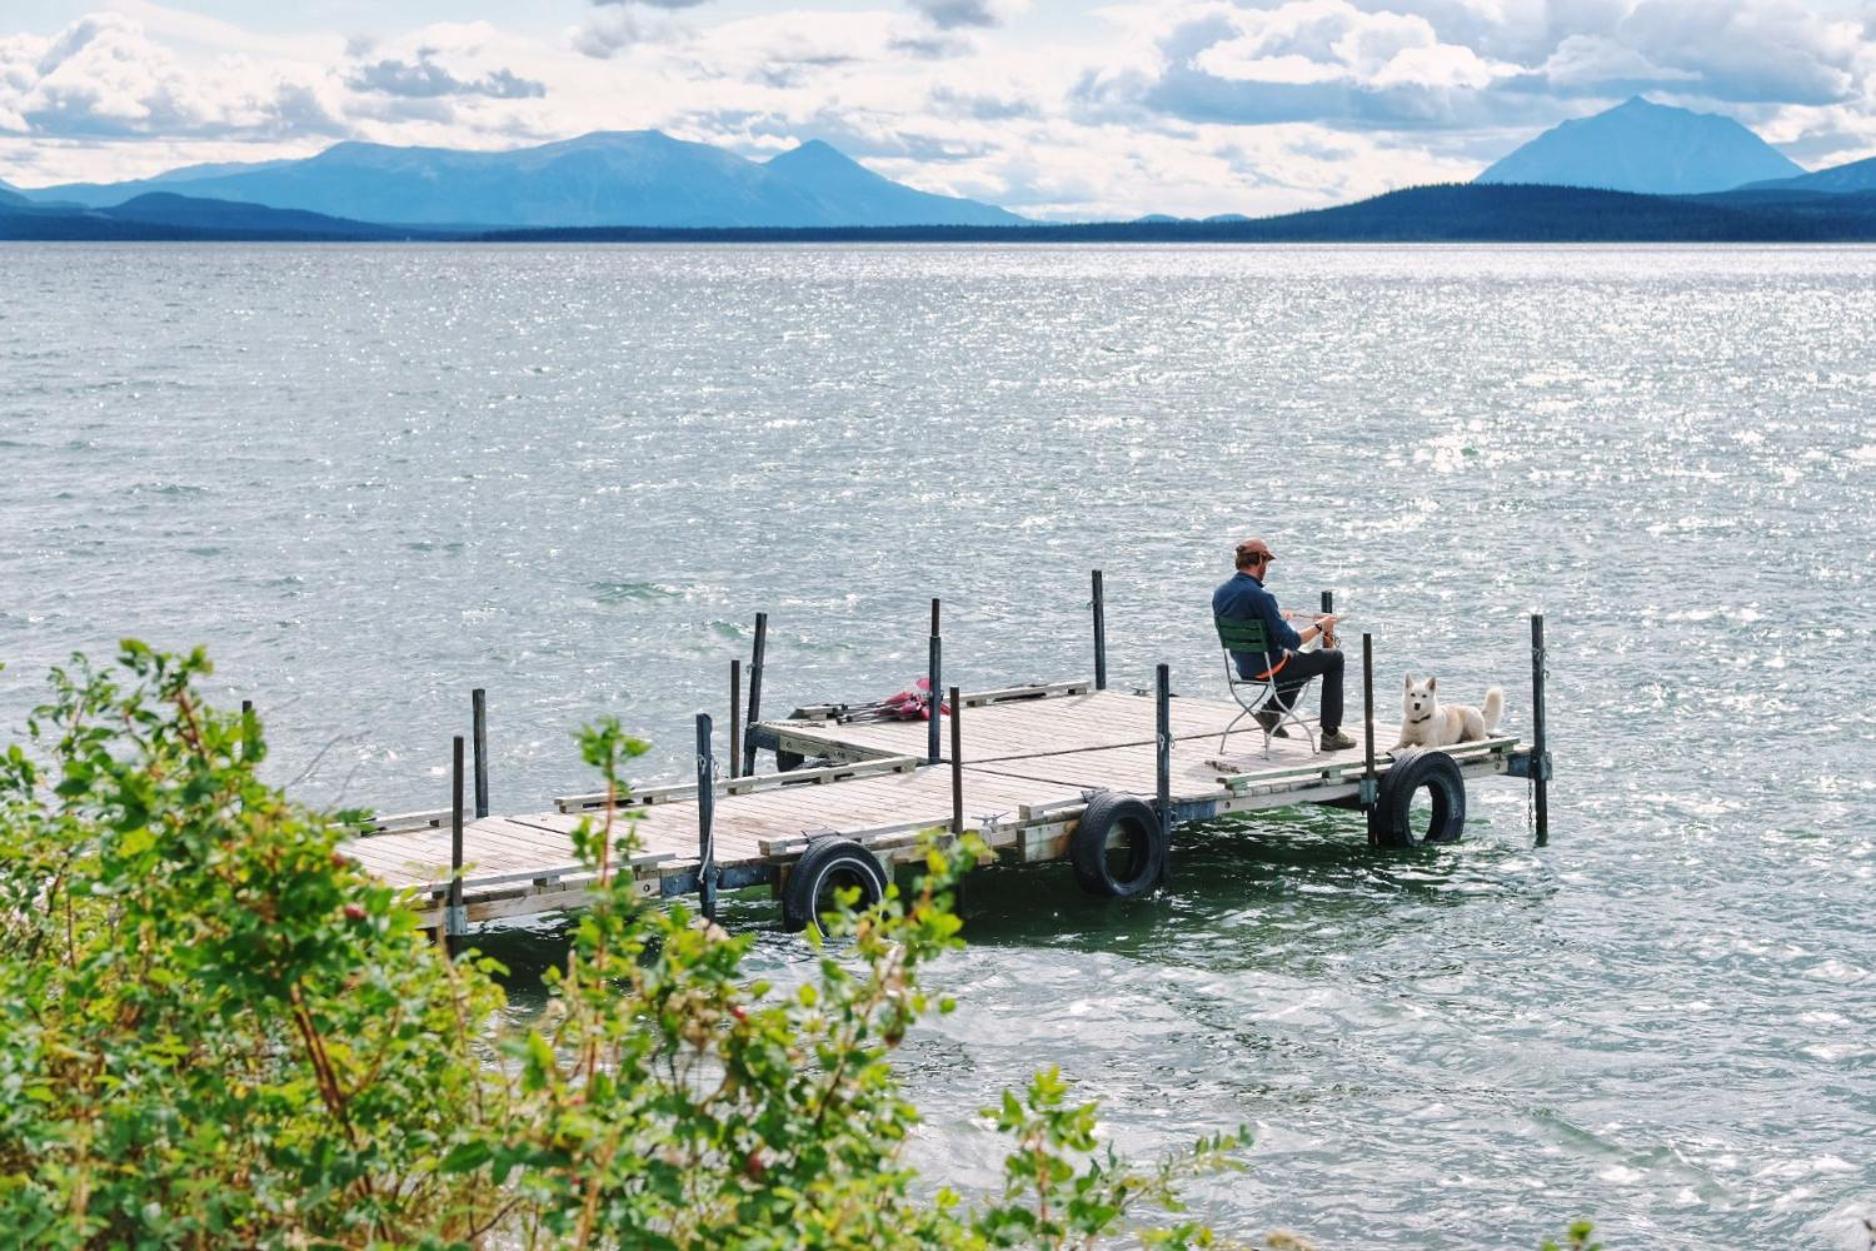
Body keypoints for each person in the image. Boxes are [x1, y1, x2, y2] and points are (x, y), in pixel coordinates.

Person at [1211, 537, 1356, 750]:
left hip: (1245, 668)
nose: (1267, 568)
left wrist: (1277, 618)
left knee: (1303, 663)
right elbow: (1292, 640)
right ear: (1259, 560)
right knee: (1334, 659)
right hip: (1272, 668)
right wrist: (1321, 626)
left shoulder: (1221, 593)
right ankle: (1331, 733)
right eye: (1266, 562)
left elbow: (1246, 617)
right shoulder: (1261, 596)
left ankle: (1270, 714)